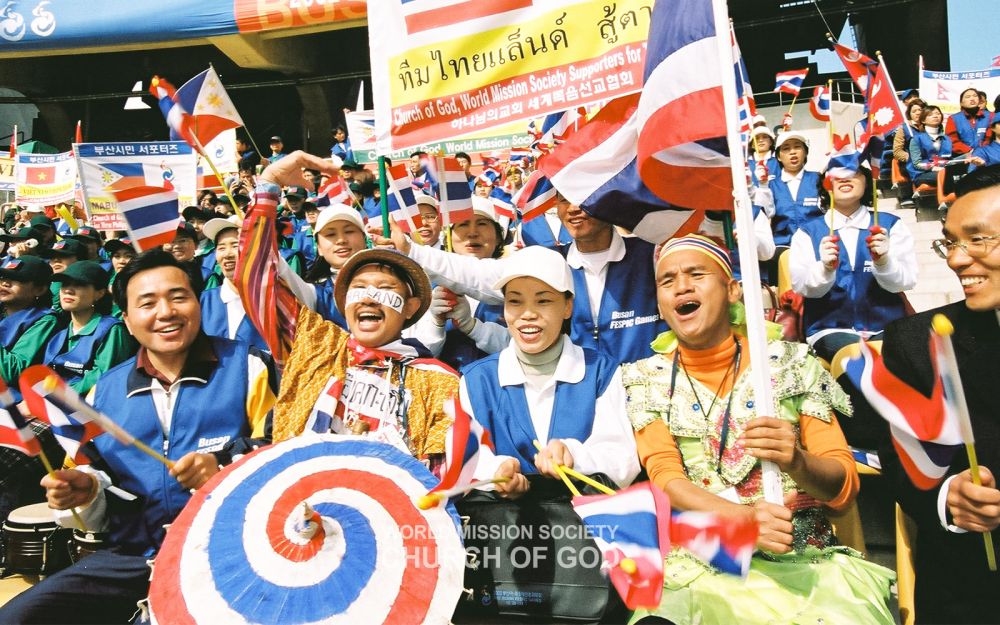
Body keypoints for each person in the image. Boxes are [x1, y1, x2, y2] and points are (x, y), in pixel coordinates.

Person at [622, 234, 894, 625]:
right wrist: (741, 520)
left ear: (733, 289)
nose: (681, 285)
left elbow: (843, 482)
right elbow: (665, 478)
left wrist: (798, 462)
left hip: (807, 564)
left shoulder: (791, 364)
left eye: (696, 273)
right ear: (661, 305)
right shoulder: (645, 379)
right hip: (702, 567)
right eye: (667, 280)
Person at [0, 250, 278, 625]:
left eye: (179, 297)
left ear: (199, 302)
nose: (165, 312)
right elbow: (92, 473)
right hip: (132, 555)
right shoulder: (106, 391)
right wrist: (86, 490)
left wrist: (224, 464)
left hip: (231, 554)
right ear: (127, 321)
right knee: (20, 616)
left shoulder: (250, 367)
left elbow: (282, 452)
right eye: (147, 303)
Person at [878, 164, 1000, 624]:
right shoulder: (918, 343)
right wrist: (949, 496)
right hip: (974, 589)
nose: (956, 260)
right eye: (951, 241)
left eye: (978, 239)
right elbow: (902, 464)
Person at [385, 194, 667, 365]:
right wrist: (411, 251)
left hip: (649, 410)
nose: (573, 208)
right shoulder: (549, 261)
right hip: (577, 400)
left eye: (584, 197)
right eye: (563, 199)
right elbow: (478, 274)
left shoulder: (654, 257)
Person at [460, 244, 640, 495]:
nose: (528, 314)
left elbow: (622, 459)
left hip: (586, 526)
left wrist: (574, 455)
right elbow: (467, 459)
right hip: (505, 528)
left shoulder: (601, 372)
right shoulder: (476, 380)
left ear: (568, 306)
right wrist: (497, 472)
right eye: (515, 301)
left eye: (543, 300)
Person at [790, 165, 917, 361]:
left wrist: (884, 262)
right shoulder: (807, 232)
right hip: (829, 329)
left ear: (867, 181)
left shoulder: (891, 225)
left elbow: (905, 282)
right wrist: (824, 269)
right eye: (836, 175)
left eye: (853, 173)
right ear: (825, 185)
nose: (844, 178)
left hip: (887, 325)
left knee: (898, 359)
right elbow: (803, 288)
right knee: (860, 360)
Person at [411, 197, 510, 371]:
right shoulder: (427, 288)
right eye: (463, 224)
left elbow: (524, 349)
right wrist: (436, 323)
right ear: (449, 236)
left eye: (482, 224)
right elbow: (419, 357)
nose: (472, 233)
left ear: (498, 236)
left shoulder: (515, 282)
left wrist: (474, 328)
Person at [43, 261, 136, 395]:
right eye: (65, 284)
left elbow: (102, 378)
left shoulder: (111, 330)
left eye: (79, 284)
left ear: (100, 293)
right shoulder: (59, 336)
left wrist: (56, 396)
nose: (68, 290)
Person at [198, 218, 268, 351]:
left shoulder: (272, 298)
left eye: (235, 246)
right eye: (221, 248)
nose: (227, 254)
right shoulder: (204, 302)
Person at [769, 130, 822, 248]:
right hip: (783, 247)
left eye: (797, 147)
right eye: (786, 148)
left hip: (816, 244)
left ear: (805, 152)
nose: (792, 152)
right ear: (778, 156)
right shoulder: (771, 186)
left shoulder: (819, 180)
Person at [893, 98, 926, 208]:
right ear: (909, 114)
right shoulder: (904, 129)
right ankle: (908, 195)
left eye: (920, 110)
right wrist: (911, 158)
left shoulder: (932, 127)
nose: (918, 113)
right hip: (909, 160)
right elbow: (897, 151)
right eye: (914, 111)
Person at [945, 87, 994, 156]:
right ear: (961, 103)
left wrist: (982, 151)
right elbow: (952, 140)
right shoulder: (953, 118)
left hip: (987, 155)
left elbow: (991, 137)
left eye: (975, 96)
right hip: (963, 157)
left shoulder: (991, 116)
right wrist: (969, 150)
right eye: (968, 97)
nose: (972, 99)